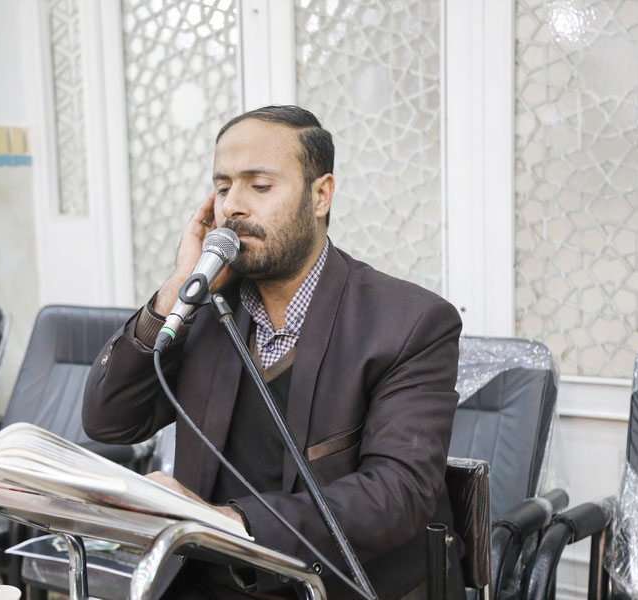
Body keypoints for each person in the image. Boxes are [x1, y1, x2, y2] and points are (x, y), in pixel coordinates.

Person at [83, 105, 465, 600]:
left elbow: (397, 495)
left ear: (321, 195)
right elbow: (110, 422)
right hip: (203, 582)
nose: (232, 207)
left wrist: (228, 521)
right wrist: (175, 292)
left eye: (259, 186)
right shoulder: (203, 307)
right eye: (223, 188)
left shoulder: (409, 322)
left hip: (332, 586)